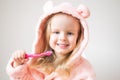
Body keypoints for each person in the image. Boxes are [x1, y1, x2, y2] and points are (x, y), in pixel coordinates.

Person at [6, 1, 96, 80]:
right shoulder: (38, 62)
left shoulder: (84, 70)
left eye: (69, 33)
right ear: (47, 35)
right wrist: (18, 64)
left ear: (79, 37)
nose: (62, 38)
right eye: (56, 32)